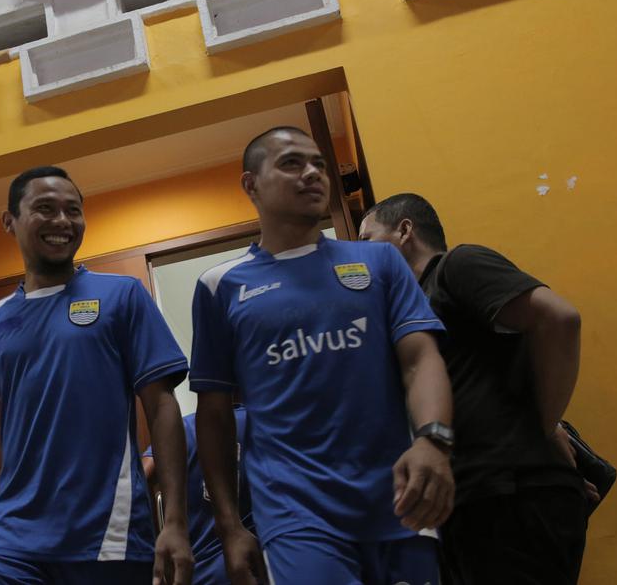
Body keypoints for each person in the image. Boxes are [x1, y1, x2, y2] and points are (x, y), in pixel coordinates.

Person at [0, 166, 194, 585]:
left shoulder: (122, 296)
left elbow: (161, 406)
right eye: (45, 209)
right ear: (9, 221)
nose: (62, 222)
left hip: (108, 540)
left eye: (73, 210)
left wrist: (175, 520)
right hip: (13, 546)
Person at [191, 127, 455, 585]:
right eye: (292, 163)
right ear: (251, 184)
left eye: (318, 164)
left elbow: (420, 360)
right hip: (295, 513)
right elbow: (212, 414)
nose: (313, 173)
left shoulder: (380, 263)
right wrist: (230, 528)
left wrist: (433, 441)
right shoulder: (220, 286)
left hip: (399, 498)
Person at [359, 193, 592, 585]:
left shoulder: (456, 266)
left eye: (367, 240)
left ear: (404, 231)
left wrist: (543, 425)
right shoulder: (408, 313)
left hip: (510, 496)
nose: (361, 254)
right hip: (469, 502)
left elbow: (560, 320)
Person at [142, 406, 254, 585]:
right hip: (250, 568)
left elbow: (143, 478)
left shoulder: (184, 428)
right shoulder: (260, 427)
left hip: (196, 572)